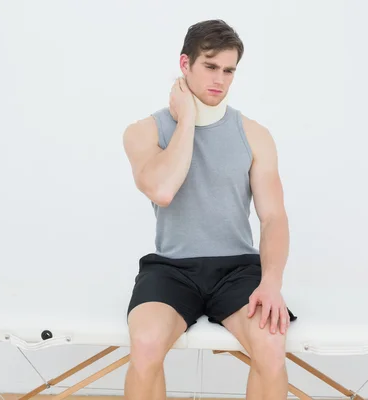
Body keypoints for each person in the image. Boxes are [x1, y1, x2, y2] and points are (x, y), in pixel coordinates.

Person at [122, 19, 295, 400]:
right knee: (146, 345)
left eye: (229, 70)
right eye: (210, 66)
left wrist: (271, 283)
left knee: (270, 347)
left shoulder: (254, 134)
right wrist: (187, 119)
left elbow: (273, 217)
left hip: (237, 268)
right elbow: (163, 190)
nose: (220, 79)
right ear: (185, 65)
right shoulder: (144, 131)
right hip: (171, 268)